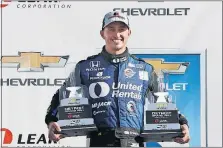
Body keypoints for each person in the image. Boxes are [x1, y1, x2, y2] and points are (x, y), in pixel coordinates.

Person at [45, 11, 190, 147]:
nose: (117, 34)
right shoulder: (84, 67)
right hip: (99, 139)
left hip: (134, 139)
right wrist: (51, 121)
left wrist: (182, 123)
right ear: (102, 34)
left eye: (121, 29)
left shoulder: (145, 68)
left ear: (129, 33)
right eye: (111, 29)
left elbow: (164, 103)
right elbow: (61, 97)